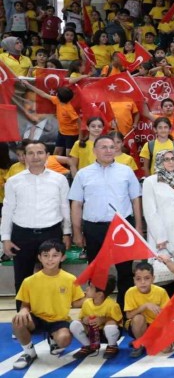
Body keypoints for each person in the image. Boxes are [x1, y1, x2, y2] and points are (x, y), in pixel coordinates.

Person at [69, 135, 142, 308]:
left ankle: (124, 310)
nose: (109, 150)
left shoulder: (126, 171)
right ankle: (96, 311)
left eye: (112, 147)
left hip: (122, 228)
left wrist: (138, 226)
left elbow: (135, 199)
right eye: (103, 147)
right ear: (94, 151)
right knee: (96, 272)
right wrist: (77, 232)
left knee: (125, 271)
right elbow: (76, 204)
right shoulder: (83, 174)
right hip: (94, 228)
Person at [1, 141, 71, 309]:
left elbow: (64, 207)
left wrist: (67, 232)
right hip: (22, 235)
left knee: (53, 277)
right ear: (24, 157)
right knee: (22, 279)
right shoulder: (13, 181)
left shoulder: (59, 179)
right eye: (31, 153)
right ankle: (23, 317)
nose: (35, 157)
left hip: (51, 233)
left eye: (40, 153)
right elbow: (8, 210)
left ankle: (54, 316)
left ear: (47, 156)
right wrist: (5, 238)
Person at [11, 240, 85, 370]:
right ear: (39, 257)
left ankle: (54, 340)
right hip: (37, 318)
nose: (50, 259)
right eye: (46, 255)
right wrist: (23, 310)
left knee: (65, 339)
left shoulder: (70, 279)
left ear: (62, 257)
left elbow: (75, 302)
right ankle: (29, 353)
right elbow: (25, 305)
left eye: (55, 255)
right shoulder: (29, 281)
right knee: (18, 320)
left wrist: (89, 299)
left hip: (59, 320)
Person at [143, 149, 174, 266]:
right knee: (165, 269)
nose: (171, 162)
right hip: (163, 233)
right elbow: (150, 212)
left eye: (173, 159)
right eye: (166, 159)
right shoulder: (150, 181)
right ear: (159, 161)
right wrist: (160, 237)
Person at [69, 276, 122, 360]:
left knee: (111, 326)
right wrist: (85, 320)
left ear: (100, 294)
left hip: (105, 334)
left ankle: (112, 345)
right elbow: (81, 319)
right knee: (74, 324)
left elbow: (119, 322)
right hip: (91, 333)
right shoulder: (86, 303)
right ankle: (88, 346)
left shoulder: (112, 305)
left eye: (91, 287)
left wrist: (103, 320)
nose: (87, 289)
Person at [124, 262, 171, 357]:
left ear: (153, 279)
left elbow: (168, 315)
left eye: (147, 278)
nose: (142, 282)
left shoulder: (161, 291)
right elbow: (128, 315)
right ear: (134, 280)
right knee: (138, 318)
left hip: (156, 325)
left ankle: (149, 339)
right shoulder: (130, 292)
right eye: (138, 279)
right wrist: (144, 306)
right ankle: (139, 343)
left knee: (166, 349)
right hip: (137, 326)